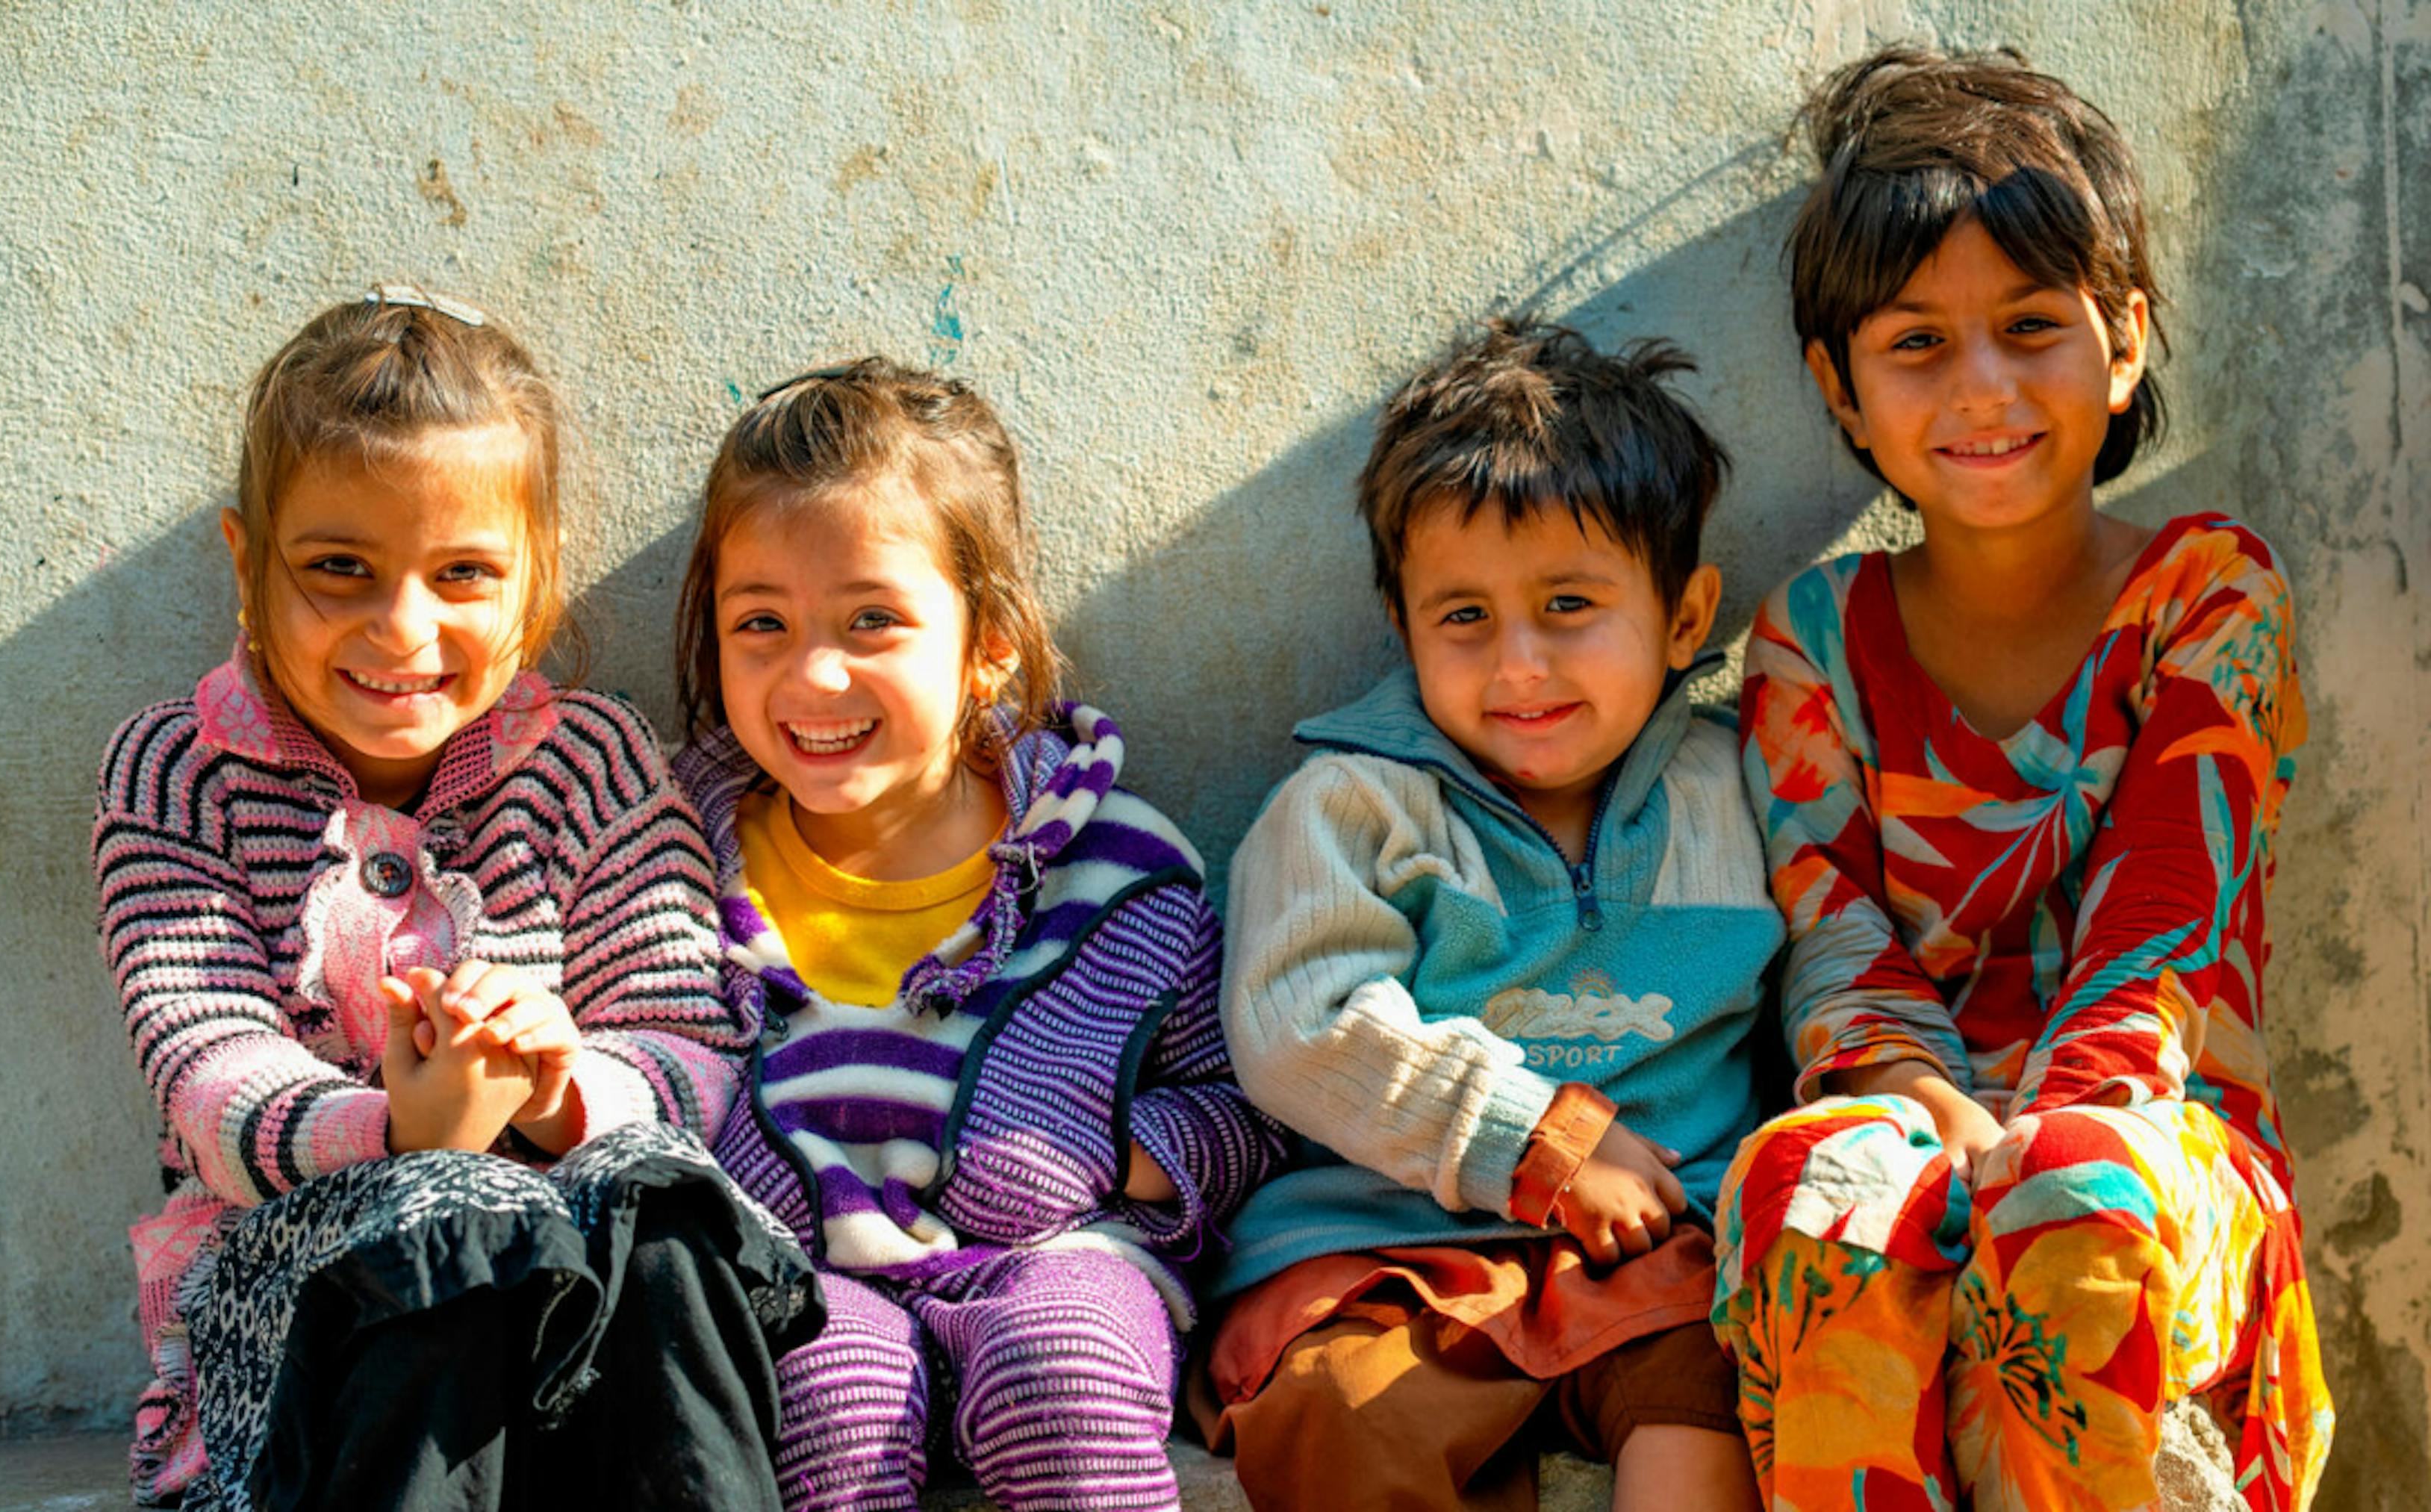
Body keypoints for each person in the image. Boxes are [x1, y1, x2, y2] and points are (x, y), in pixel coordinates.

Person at [1719, 46, 2334, 1511]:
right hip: (1912, 1112)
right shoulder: (1811, 639)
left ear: (2121, 344)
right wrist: (1936, 1108)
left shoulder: (2206, 594)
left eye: (2032, 326)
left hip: (2159, 1150)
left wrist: (2040, 1142)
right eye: (1917, 342)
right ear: (1840, 384)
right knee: (1816, 1191)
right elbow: (1833, 924)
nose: (1982, 387)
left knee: (2069, 1187)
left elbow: (2164, 922)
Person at [95, 287, 815, 1511]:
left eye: (465, 572)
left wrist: (559, 1084)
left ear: (535, 578)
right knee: (451, 1207)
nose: (402, 626)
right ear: (244, 560)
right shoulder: (179, 773)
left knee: (668, 1201)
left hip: (574, 1352)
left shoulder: (592, 762)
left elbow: (692, 1046)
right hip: (313, 1351)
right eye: (339, 569)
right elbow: (205, 1070)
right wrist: (402, 1131)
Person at [667, 357, 1286, 1512]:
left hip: (1063, 1261)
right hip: (801, 1276)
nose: (815, 672)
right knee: (828, 1389)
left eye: (874, 619)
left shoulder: (1116, 877)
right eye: (762, 621)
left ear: (990, 639)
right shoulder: (679, 863)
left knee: (1062, 1374)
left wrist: (1117, 1145)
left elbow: (1240, 1100)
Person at [1205, 319, 1772, 1512]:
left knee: (1732, 1385)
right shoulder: (1351, 806)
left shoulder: (1744, 794)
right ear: (1404, 625)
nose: (1517, 665)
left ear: (1683, 617)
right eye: (1462, 617)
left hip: (1662, 1257)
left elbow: (1833, 959)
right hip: (1386, 1258)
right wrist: (1540, 1143)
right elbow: (1297, 1026)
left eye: (1568, 604)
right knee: (1335, 1414)